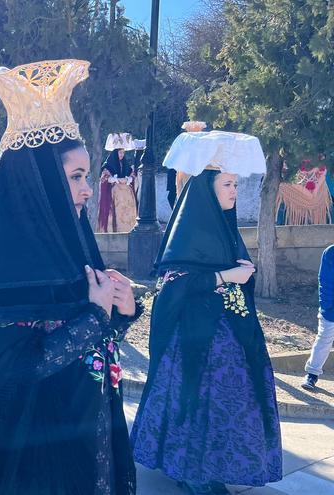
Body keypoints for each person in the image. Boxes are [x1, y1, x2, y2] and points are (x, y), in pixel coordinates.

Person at [0, 60, 139, 494]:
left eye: (86, 175)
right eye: (76, 177)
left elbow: (90, 347)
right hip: (34, 465)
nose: (86, 190)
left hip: (87, 442)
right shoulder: (1, 275)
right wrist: (95, 319)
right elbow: (3, 376)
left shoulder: (74, 249)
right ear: (39, 184)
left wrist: (119, 314)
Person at [131, 131, 282, 495]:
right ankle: (192, 471)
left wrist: (239, 275)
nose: (234, 191)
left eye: (235, 184)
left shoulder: (225, 229)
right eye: (228, 184)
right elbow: (173, 286)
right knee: (196, 400)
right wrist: (225, 275)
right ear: (207, 189)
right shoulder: (190, 231)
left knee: (230, 405)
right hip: (194, 343)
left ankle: (211, 467)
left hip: (231, 333)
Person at [302, 244, 334, 390]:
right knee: (324, 339)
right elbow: (325, 283)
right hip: (331, 309)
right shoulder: (330, 253)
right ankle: (312, 374)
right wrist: (328, 307)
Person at [98, 133, 138, 233]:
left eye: (123, 153)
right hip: (115, 193)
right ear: (115, 153)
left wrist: (128, 179)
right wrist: (115, 179)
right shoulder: (109, 164)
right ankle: (116, 229)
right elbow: (105, 177)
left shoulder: (125, 164)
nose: (122, 155)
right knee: (117, 212)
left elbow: (132, 175)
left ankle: (128, 229)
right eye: (120, 153)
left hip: (126, 193)